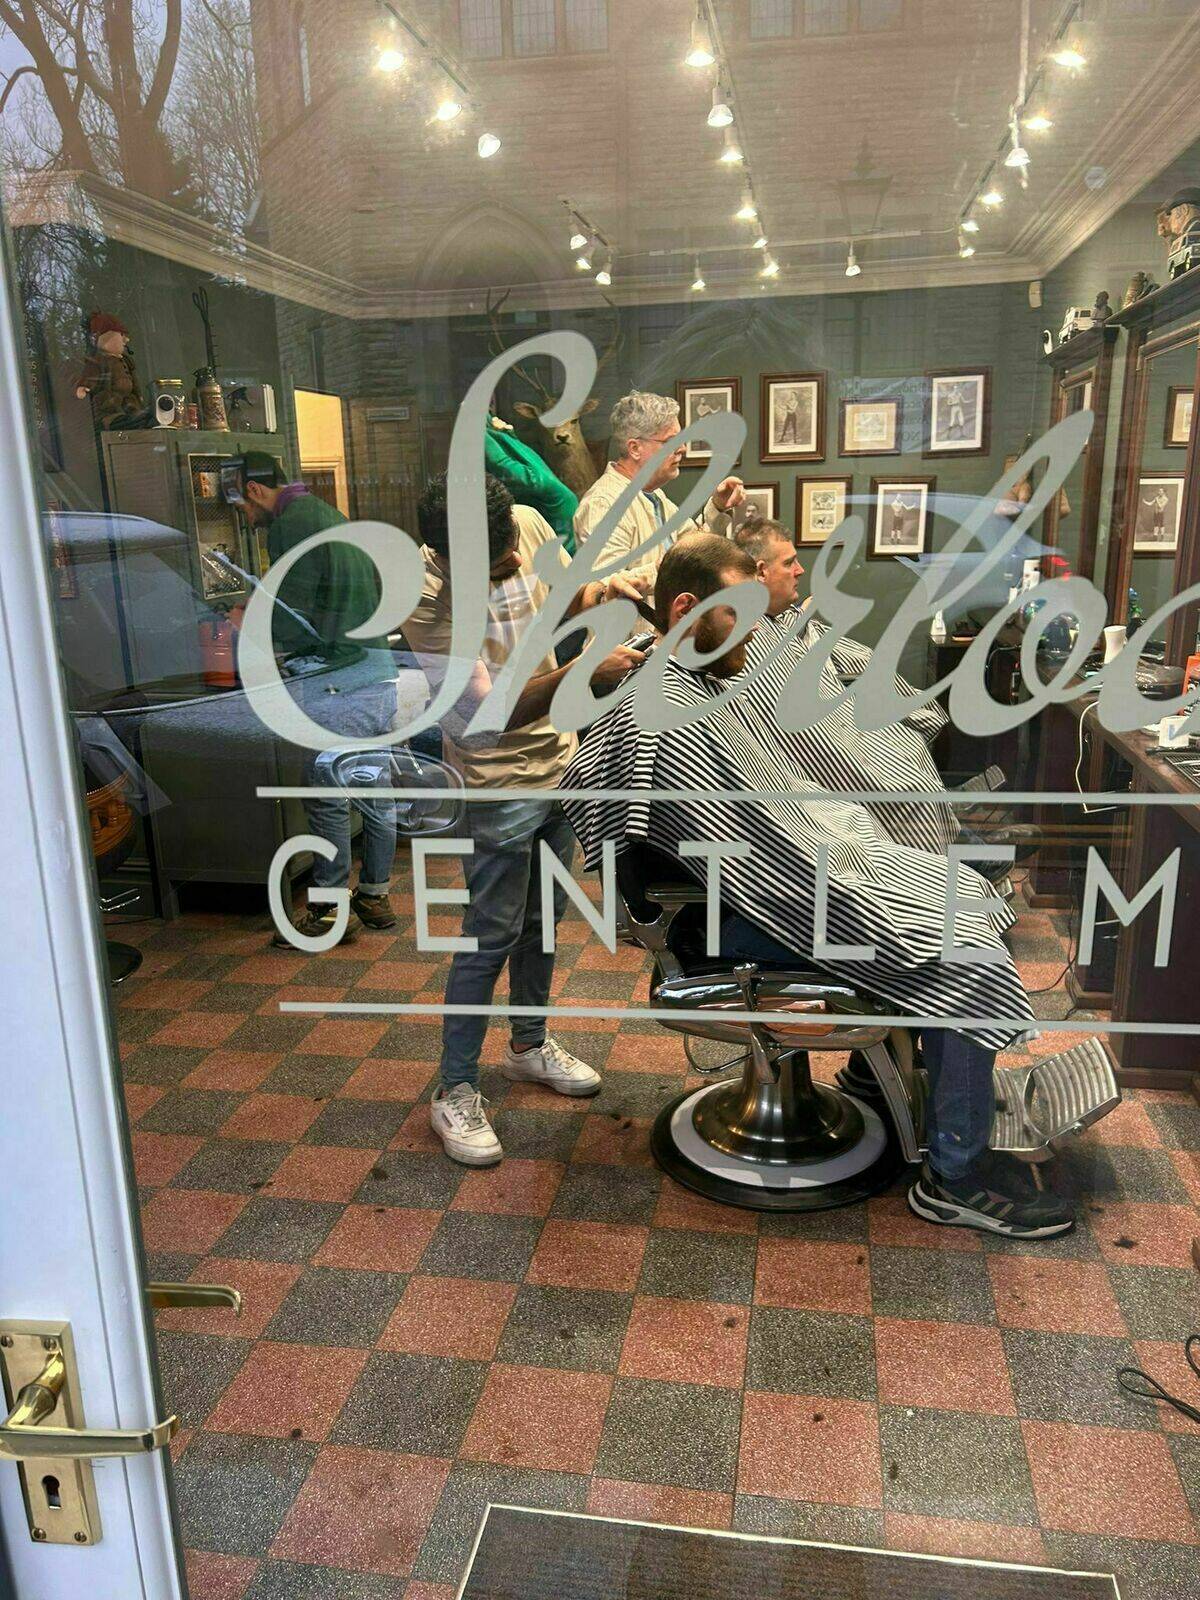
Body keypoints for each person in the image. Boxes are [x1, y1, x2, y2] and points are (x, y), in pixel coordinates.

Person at [560, 532, 1073, 1239]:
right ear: (685, 609)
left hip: (781, 878)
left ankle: (881, 1076)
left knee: (955, 895)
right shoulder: (662, 714)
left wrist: (858, 848)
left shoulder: (701, 681)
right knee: (962, 946)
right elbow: (755, 852)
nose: (756, 632)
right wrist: (863, 877)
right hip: (736, 912)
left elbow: (774, 809)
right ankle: (956, 1179)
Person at [404, 473, 647, 1167]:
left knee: (543, 920)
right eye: (498, 559)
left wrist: (607, 592)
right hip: (494, 781)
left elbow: (565, 594)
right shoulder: (423, 597)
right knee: (490, 934)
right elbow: (489, 712)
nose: (514, 558)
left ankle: (528, 1045)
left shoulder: (526, 523)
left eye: (511, 543)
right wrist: (585, 672)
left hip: (557, 761)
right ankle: (454, 1088)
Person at [238, 451, 401, 944]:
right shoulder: (329, 514)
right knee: (375, 793)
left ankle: (330, 911)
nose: (244, 518)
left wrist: (249, 623)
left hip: (337, 678)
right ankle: (374, 894)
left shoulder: (290, 525)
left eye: (241, 506)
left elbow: (295, 613)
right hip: (377, 671)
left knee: (328, 797)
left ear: (254, 491)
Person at [731, 519, 957, 856]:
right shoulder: (751, 636)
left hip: (837, 722)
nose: (800, 570)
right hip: (816, 748)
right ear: (761, 572)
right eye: (790, 563)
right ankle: (940, 859)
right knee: (909, 783)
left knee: (910, 745)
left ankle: (950, 831)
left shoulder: (783, 618)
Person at [573, 391, 744, 583]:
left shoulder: (654, 496)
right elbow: (603, 588)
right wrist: (666, 568)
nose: (682, 448)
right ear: (635, 448)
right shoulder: (604, 505)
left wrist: (718, 506)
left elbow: (694, 549)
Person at [484, 412, 579, 552]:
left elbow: (511, 458)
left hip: (555, 502)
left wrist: (509, 435)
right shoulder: (480, 430)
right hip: (551, 501)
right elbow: (501, 464)